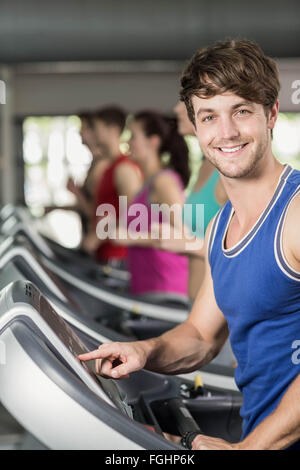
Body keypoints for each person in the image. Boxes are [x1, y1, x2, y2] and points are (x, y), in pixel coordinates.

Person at [78, 39, 300, 450]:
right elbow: (200, 335)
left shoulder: (296, 213)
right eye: (209, 116)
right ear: (196, 127)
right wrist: (144, 350)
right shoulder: (221, 227)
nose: (227, 131)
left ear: (271, 115)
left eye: (242, 111)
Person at [115, 111, 190, 301]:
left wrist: (131, 237)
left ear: (153, 142)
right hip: (147, 287)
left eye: (133, 136)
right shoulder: (146, 184)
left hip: (167, 288)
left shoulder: (163, 182)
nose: (128, 142)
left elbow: (183, 235)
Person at [82, 106, 142, 264]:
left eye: (96, 129)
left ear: (112, 130)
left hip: (119, 257)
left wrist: (99, 235)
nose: (92, 134)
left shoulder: (124, 168)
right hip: (104, 255)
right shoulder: (107, 168)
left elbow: (136, 213)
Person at [45, 111, 108, 238]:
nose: (80, 133)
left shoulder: (102, 166)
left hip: (98, 243)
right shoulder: (94, 164)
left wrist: (76, 192)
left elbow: (93, 212)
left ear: (94, 132)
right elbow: (86, 207)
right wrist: (57, 208)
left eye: (83, 128)